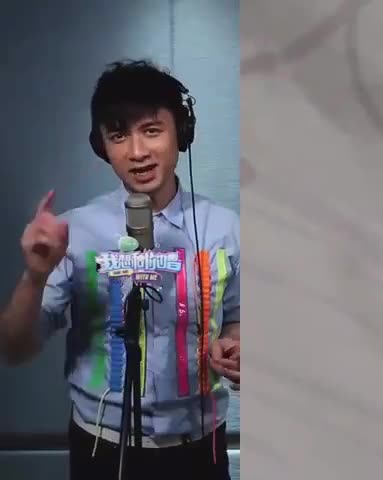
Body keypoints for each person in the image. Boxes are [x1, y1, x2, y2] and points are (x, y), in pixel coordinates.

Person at [0, 60, 240, 480]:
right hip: (101, 447)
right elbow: (13, 349)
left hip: (203, 447)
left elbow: (237, 316)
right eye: (118, 135)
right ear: (101, 146)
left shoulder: (225, 228)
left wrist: (235, 345)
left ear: (181, 133)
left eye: (152, 130)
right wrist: (34, 276)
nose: (137, 151)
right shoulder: (74, 231)